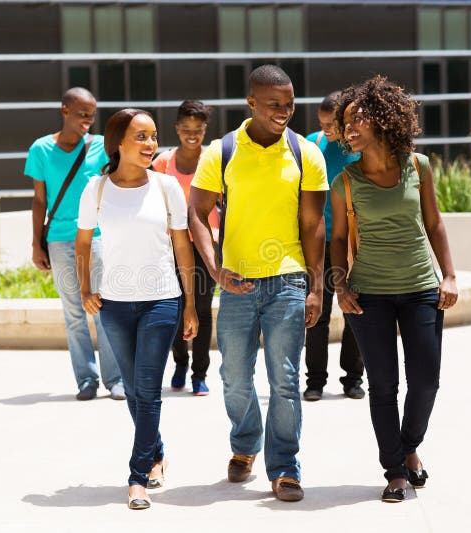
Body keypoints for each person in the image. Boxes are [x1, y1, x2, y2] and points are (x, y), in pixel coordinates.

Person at [190, 65, 327, 502]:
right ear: (251, 103)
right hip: (237, 283)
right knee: (233, 376)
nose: (284, 112)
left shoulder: (307, 154)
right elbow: (197, 212)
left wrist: (317, 285)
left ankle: (285, 466)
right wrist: (214, 270)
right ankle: (246, 442)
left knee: (285, 380)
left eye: (289, 104)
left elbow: (313, 225)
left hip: (287, 279)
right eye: (274, 105)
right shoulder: (222, 151)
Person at [329, 76, 458, 503]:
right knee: (383, 385)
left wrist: (449, 275)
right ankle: (395, 470)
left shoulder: (417, 166)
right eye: (344, 123)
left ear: (382, 118)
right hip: (369, 294)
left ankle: (408, 447)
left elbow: (434, 223)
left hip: (421, 286)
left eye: (356, 119)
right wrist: (339, 285)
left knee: (426, 380)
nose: (348, 129)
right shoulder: (345, 180)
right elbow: (337, 238)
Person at [76, 108, 198, 510]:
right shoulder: (96, 189)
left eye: (153, 137)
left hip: (161, 299)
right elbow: (81, 243)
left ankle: (137, 476)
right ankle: (157, 451)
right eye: (142, 137)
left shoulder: (166, 187)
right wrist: (85, 290)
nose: (151, 145)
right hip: (114, 304)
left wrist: (190, 304)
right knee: (133, 390)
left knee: (147, 390)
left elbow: (182, 245)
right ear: (119, 143)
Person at [26, 87, 124, 402]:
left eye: (91, 116)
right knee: (74, 311)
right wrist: (36, 244)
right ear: (65, 110)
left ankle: (115, 380)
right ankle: (86, 380)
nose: (87, 121)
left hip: (96, 238)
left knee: (104, 308)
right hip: (59, 239)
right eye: (82, 115)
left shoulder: (99, 149)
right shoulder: (40, 149)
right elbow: (40, 200)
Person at [152, 99, 218, 396]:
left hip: (205, 247)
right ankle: (180, 362)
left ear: (205, 129)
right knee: (175, 307)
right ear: (177, 128)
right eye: (186, 128)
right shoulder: (163, 163)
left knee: (202, 310)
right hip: (172, 247)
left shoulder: (213, 160)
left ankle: (199, 373)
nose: (192, 134)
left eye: (198, 129)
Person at [303, 92, 365, 402]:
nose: (326, 129)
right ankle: (314, 381)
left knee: (355, 310)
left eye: (332, 124)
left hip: (355, 243)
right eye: (322, 123)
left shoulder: (358, 148)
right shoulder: (312, 144)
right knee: (317, 312)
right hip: (320, 242)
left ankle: (353, 379)